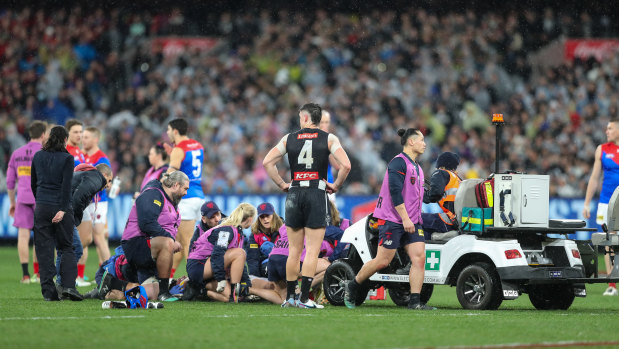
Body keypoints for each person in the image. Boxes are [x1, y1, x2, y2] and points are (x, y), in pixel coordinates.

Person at [263, 103, 351, 309]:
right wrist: (336, 185)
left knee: (294, 251)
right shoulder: (328, 138)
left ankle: (289, 299)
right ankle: (304, 298)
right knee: (311, 251)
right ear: (319, 120)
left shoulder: (288, 138)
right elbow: (346, 165)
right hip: (316, 192)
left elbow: (267, 162)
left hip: (294, 193)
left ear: (304, 118)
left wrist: (282, 184)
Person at [344, 128, 436, 310]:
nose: (425, 144)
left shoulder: (417, 168)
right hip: (392, 220)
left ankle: (415, 302)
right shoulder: (398, 163)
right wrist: (405, 219)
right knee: (382, 261)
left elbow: (420, 195)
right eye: (422, 140)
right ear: (411, 142)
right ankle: (353, 284)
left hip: (413, 221)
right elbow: (395, 193)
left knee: (419, 258)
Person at [30, 125, 82, 301]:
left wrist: (41, 202)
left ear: (49, 137)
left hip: (42, 207)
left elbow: (33, 183)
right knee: (66, 247)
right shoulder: (68, 158)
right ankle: (68, 287)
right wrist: (61, 209)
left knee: (44, 250)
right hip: (60, 207)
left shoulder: (37, 156)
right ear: (65, 140)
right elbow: (66, 187)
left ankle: (48, 293)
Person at [120, 171, 188, 301]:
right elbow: (147, 223)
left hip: (150, 246)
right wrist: (170, 240)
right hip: (136, 243)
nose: (186, 193)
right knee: (167, 243)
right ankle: (164, 292)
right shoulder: (153, 194)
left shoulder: (172, 202)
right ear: (175, 185)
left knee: (151, 292)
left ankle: (113, 287)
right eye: (185, 188)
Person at [56, 163, 113, 291]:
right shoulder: (96, 179)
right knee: (76, 249)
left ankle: (60, 284)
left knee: (63, 250)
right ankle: (66, 284)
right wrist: (72, 220)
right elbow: (78, 199)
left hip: (57, 207)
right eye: (109, 180)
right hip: (63, 212)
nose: (109, 185)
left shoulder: (89, 176)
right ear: (104, 175)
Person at [184, 203, 255, 303]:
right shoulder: (227, 230)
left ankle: (203, 290)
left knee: (227, 297)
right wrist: (221, 278)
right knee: (239, 253)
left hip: (211, 266)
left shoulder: (235, 230)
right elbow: (217, 254)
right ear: (250, 219)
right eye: (212, 217)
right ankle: (234, 292)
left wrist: (246, 282)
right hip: (199, 265)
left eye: (218, 215)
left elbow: (239, 263)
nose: (217, 219)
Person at [6, 121, 47, 283]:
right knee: (41, 236)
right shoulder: (45, 152)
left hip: (22, 197)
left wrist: (12, 202)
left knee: (23, 236)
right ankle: (38, 273)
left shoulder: (17, 153)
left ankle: (25, 275)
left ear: (30, 134)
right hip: (41, 197)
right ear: (43, 135)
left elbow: (10, 182)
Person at [583, 120, 619, 296]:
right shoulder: (602, 149)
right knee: (608, 241)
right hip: (606, 202)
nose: (607, 131)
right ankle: (612, 284)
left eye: (611, 128)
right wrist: (587, 203)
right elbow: (594, 178)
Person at [166, 118, 205, 278]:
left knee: (186, 241)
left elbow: (171, 173)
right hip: (199, 196)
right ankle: (168, 277)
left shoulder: (178, 149)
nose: (167, 133)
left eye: (168, 130)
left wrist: (158, 183)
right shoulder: (198, 145)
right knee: (182, 242)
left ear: (175, 131)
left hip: (186, 198)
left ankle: (195, 280)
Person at [76, 126, 112, 286]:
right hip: (86, 201)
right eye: (83, 137)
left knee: (98, 237)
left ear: (96, 139)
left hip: (99, 202)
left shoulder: (102, 158)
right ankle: (79, 275)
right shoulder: (81, 156)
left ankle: (110, 273)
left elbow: (108, 183)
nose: (83, 139)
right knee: (84, 237)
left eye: (87, 137)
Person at [421, 151, 462, 240]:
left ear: (442, 166)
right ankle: (436, 237)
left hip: (448, 220)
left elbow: (435, 194)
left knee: (415, 218)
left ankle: (432, 239)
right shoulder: (457, 178)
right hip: (457, 220)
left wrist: (420, 196)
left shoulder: (441, 173)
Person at [246, 202, 283, 278]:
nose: (265, 219)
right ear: (258, 218)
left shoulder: (284, 229)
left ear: (274, 215)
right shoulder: (255, 234)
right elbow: (252, 259)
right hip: (266, 265)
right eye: (262, 217)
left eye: (267, 216)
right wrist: (255, 279)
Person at [319, 110, 341, 202]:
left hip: (328, 185)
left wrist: (329, 150)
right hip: (313, 185)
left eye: (326, 122)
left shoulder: (332, 140)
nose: (324, 125)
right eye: (322, 122)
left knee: (331, 215)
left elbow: (338, 165)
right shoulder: (309, 138)